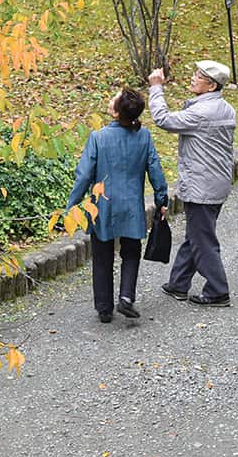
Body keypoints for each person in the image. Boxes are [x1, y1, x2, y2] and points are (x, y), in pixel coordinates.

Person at [66, 88, 169, 323]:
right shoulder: (144, 137)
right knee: (131, 252)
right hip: (132, 205)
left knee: (102, 255)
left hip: (102, 206)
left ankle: (104, 308)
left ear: (115, 112)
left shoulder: (98, 137)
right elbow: (156, 171)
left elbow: (83, 176)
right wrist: (162, 200)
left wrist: (72, 205)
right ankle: (126, 297)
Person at [147, 60, 236, 307]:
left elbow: (164, 120)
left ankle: (218, 291)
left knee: (202, 240)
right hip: (216, 183)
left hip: (202, 187)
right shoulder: (226, 108)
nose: (193, 78)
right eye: (195, 73)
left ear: (211, 85)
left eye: (199, 76)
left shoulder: (202, 113)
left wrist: (156, 88)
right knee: (197, 234)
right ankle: (178, 284)